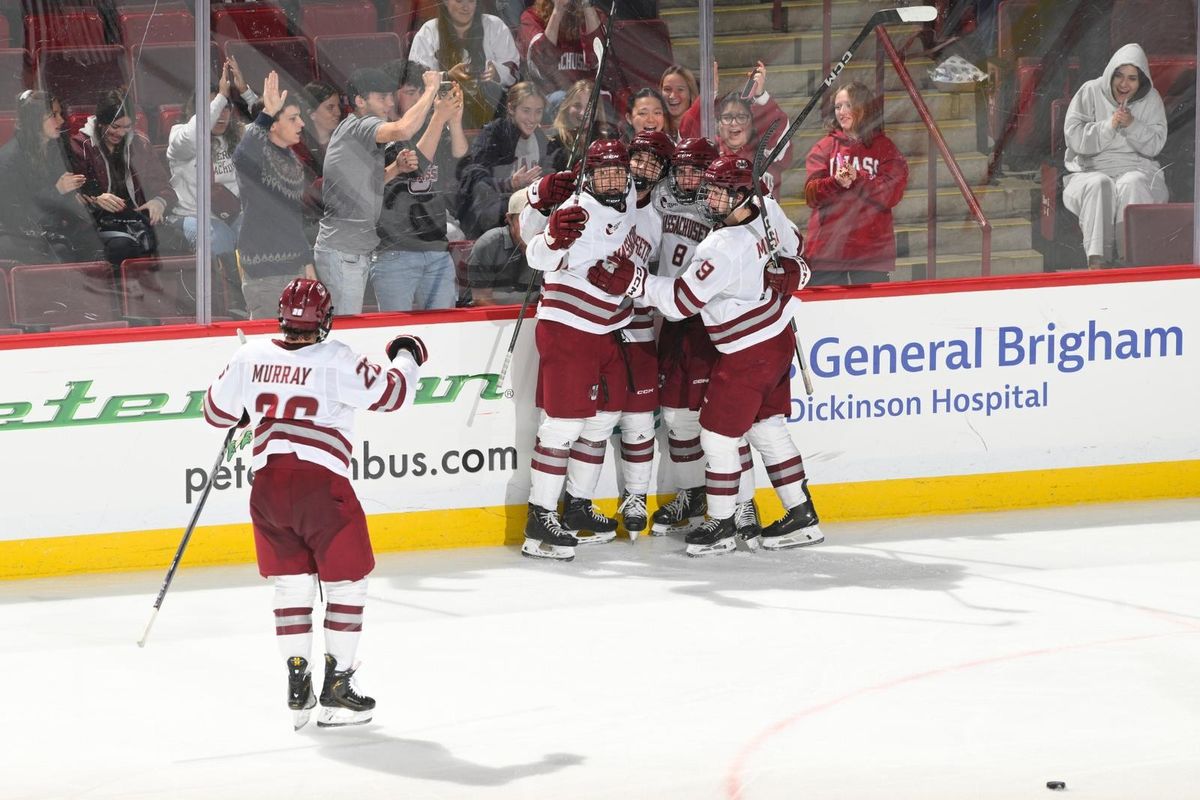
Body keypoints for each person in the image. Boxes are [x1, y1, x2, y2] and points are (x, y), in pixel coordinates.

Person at [202, 276, 428, 729]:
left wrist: (250, 406)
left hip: (267, 488)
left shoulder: (249, 356)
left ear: (281, 317)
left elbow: (216, 414)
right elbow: (394, 394)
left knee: (290, 587)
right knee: (346, 585)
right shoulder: (339, 358)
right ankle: (338, 687)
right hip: (321, 486)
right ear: (324, 320)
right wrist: (408, 353)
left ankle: (297, 681)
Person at [587, 155, 823, 556]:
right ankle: (802, 516)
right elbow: (796, 247)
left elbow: (680, 304)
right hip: (774, 337)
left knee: (716, 436)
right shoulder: (766, 210)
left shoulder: (722, 246)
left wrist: (634, 281)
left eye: (720, 192)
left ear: (743, 194)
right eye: (710, 190)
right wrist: (796, 270)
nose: (709, 199)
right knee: (767, 429)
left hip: (747, 350)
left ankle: (722, 524)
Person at [520, 137, 639, 560]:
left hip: (605, 330)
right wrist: (550, 234)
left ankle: (578, 508)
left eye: (616, 171)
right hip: (568, 328)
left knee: (603, 419)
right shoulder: (578, 209)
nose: (610, 179)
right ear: (589, 174)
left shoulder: (630, 199)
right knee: (562, 426)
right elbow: (536, 255)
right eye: (601, 171)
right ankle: (540, 522)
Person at [313, 66, 441, 315]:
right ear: (360, 101)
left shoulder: (354, 130)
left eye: (390, 96)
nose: (390, 102)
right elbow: (404, 129)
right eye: (381, 97)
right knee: (345, 331)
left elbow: (363, 185)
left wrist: (395, 169)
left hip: (348, 251)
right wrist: (431, 89)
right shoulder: (362, 125)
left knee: (348, 329)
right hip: (344, 252)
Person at [1062, 43, 1168, 268]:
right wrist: (1109, 126)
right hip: (1091, 168)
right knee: (1099, 184)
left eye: (1132, 78)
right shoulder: (1090, 90)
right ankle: (1097, 262)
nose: (1124, 83)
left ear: (1141, 82)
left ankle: (1132, 260)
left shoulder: (1152, 99)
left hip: (1138, 167)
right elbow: (1073, 136)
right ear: (1110, 73)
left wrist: (1132, 125)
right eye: (1119, 75)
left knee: (1134, 182)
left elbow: (1155, 144)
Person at [372, 76, 469, 312]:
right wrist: (438, 117)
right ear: (396, 97)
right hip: (396, 251)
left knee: (443, 329)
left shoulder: (435, 130)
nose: (420, 99)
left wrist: (454, 120)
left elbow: (460, 155)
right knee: (393, 333)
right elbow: (419, 164)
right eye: (413, 92)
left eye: (425, 93)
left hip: (436, 248)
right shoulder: (385, 134)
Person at [803, 80, 908, 285]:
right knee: (829, 315)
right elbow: (810, 195)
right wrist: (835, 182)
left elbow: (892, 193)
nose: (841, 112)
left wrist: (859, 179)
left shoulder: (884, 148)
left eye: (848, 105)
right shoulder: (824, 147)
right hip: (828, 253)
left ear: (864, 107)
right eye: (837, 107)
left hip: (870, 254)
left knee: (871, 315)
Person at [232, 72, 313, 318]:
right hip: (265, 274)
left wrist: (306, 262)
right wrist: (266, 114)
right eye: (293, 118)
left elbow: (292, 218)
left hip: (294, 267)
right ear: (274, 125)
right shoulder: (258, 157)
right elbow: (241, 157)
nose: (301, 124)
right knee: (268, 346)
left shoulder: (291, 157)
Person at [166, 62, 247, 310]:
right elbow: (195, 135)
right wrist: (221, 95)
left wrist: (245, 93)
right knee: (215, 237)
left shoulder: (237, 135)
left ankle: (256, 300)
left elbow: (271, 127)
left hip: (234, 214)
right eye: (216, 108)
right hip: (194, 215)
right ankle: (224, 307)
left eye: (226, 108)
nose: (222, 115)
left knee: (258, 231)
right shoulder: (179, 136)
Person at [71, 88, 177, 267]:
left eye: (127, 127)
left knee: (174, 241)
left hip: (137, 221)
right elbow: (74, 191)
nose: (120, 133)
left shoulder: (140, 144)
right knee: (124, 248)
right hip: (99, 224)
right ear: (100, 122)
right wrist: (97, 199)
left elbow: (165, 189)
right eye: (115, 126)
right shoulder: (79, 145)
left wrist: (158, 202)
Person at [0, 90, 95, 264]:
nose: (61, 120)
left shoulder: (54, 149)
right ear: (35, 121)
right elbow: (17, 215)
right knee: (60, 253)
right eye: (53, 115)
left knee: (97, 240)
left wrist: (82, 200)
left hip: (52, 227)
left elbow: (63, 198)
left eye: (60, 114)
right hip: (18, 234)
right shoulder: (9, 160)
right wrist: (58, 190)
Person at [455, 82, 553, 240]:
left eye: (538, 112)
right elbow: (474, 180)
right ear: (511, 109)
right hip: (493, 214)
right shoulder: (493, 134)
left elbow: (548, 169)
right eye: (526, 111)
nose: (532, 119)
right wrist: (509, 183)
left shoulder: (540, 138)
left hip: (529, 209)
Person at [678, 61, 793, 196]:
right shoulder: (709, 151)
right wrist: (708, 95)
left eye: (742, 117)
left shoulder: (765, 150)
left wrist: (761, 97)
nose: (734, 123)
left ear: (752, 122)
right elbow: (687, 136)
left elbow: (780, 133)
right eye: (727, 117)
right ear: (718, 123)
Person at [409, 0, 521, 129]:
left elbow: (514, 71)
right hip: (441, 112)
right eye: (459, 1)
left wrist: (497, 72)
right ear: (445, 2)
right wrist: (447, 76)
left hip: (491, 108)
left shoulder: (495, 25)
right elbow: (415, 78)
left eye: (471, 1)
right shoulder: (428, 31)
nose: (466, 7)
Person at [520, 0, 606, 113]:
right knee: (561, 97)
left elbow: (599, 59)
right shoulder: (531, 16)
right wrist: (558, 9)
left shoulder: (595, 15)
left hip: (588, 94)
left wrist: (587, 5)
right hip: (552, 96)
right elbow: (541, 62)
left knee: (605, 100)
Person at [465, 186, 536, 306]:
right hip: (492, 319)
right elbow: (481, 299)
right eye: (524, 219)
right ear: (509, 218)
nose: (532, 226)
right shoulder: (488, 244)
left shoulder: (552, 246)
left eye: (538, 219)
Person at [659, 65, 697, 140]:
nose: (672, 96)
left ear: (691, 93)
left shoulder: (704, 128)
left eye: (680, 89)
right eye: (667, 89)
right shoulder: (656, 128)